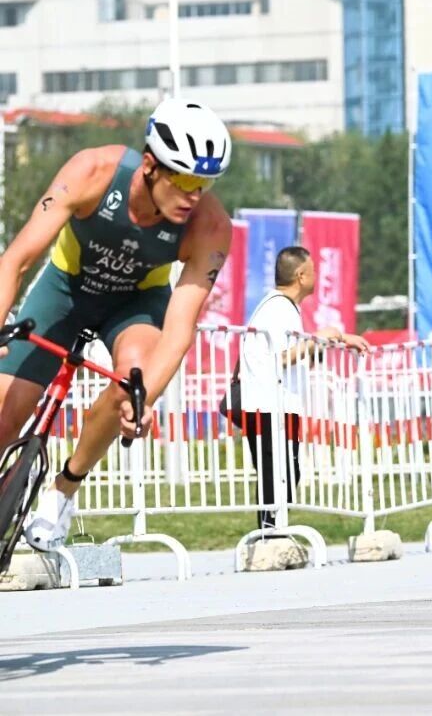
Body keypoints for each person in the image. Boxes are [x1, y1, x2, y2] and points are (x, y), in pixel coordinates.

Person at [0, 99, 233, 551]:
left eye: (204, 184)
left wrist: (146, 400)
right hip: (66, 288)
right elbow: (16, 260)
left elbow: (179, 329)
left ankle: (62, 492)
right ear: (149, 165)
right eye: (185, 180)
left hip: (135, 303)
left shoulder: (210, 226)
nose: (194, 195)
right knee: (7, 414)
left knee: (133, 382)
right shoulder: (93, 171)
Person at [231, 246, 369, 531]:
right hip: (269, 405)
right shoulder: (279, 308)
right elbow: (282, 357)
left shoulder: (280, 306)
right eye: (314, 270)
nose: (316, 275)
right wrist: (320, 337)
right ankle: (271, 535)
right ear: (301, 275)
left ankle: (274, 531)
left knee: (284, 472)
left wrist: (338, 337)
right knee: (278, 473)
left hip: (277, 403)